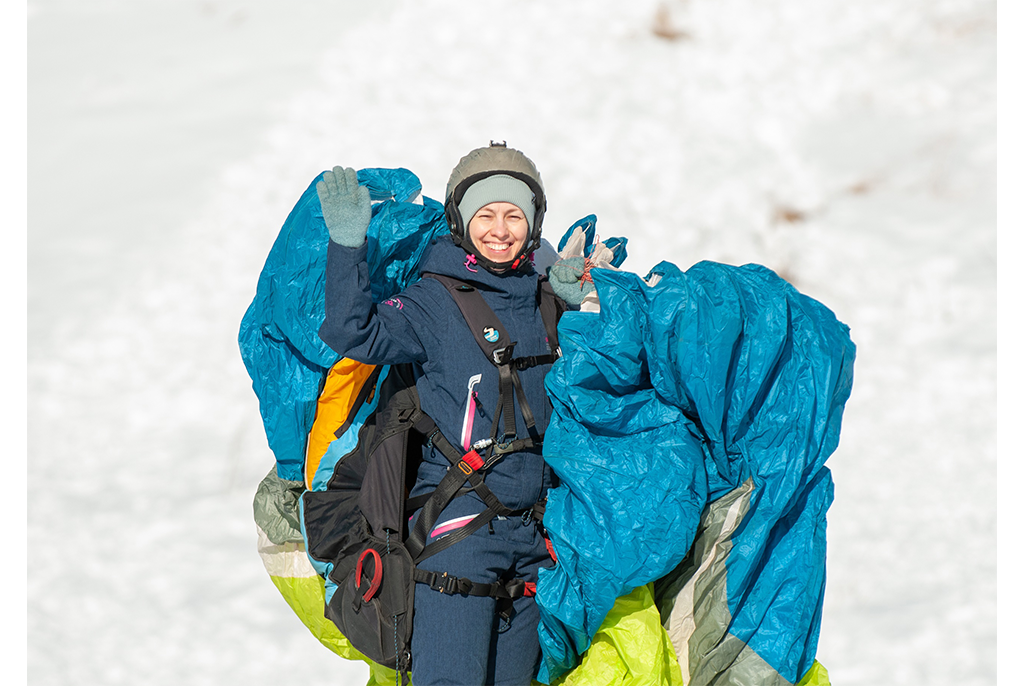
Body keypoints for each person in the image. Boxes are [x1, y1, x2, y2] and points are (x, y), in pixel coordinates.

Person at [317, 143, 572, 686]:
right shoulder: (432, 303)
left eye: (514, 215)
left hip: (535, 545)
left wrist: (582, 303)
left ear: (534, 223)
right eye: (485, 214)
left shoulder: (546, 300)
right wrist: (347, 246)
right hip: (460, 534)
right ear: (460, 220)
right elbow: (352, 331)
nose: (500, 229)